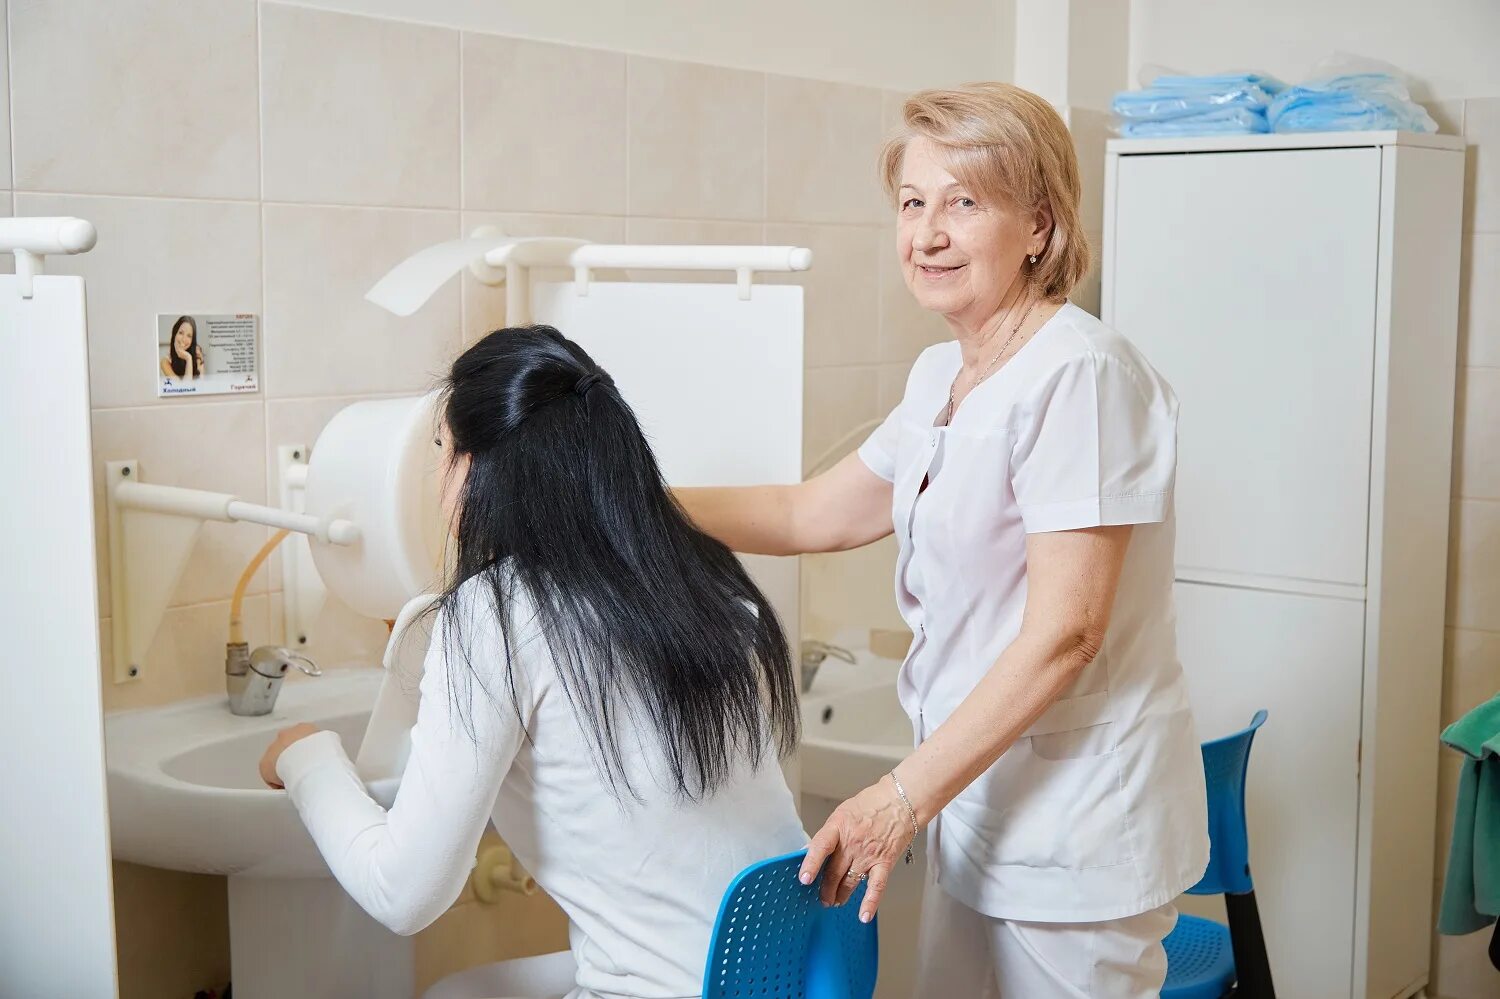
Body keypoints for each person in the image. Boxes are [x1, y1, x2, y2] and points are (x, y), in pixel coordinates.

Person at [676, 83, 1209, 997]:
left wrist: (899, 796)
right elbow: (816, 514)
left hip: (1077, 836)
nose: (927, 235)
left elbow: (1067, 633)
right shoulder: (940, 377)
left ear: (1038, 227)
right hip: (980, 808)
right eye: (913, 203)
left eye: (964, 203)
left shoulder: (1077, 374)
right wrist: (618, 500)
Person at [258, 325, 806, 999]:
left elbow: (403, 893)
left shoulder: (495, 612)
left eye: (443, 450)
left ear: (483, 468)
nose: (438, 476)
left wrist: (306, 758)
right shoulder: (696, 576)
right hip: (785, 972)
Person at [160, 315, 204, 381]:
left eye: (189, 336)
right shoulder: (165, 362)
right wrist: (188, 358)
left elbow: (201, 386)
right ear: (175, 334)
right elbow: (184, 388)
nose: (184, 339)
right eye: (181, 333)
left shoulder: (197, 354)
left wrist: (189, 358)